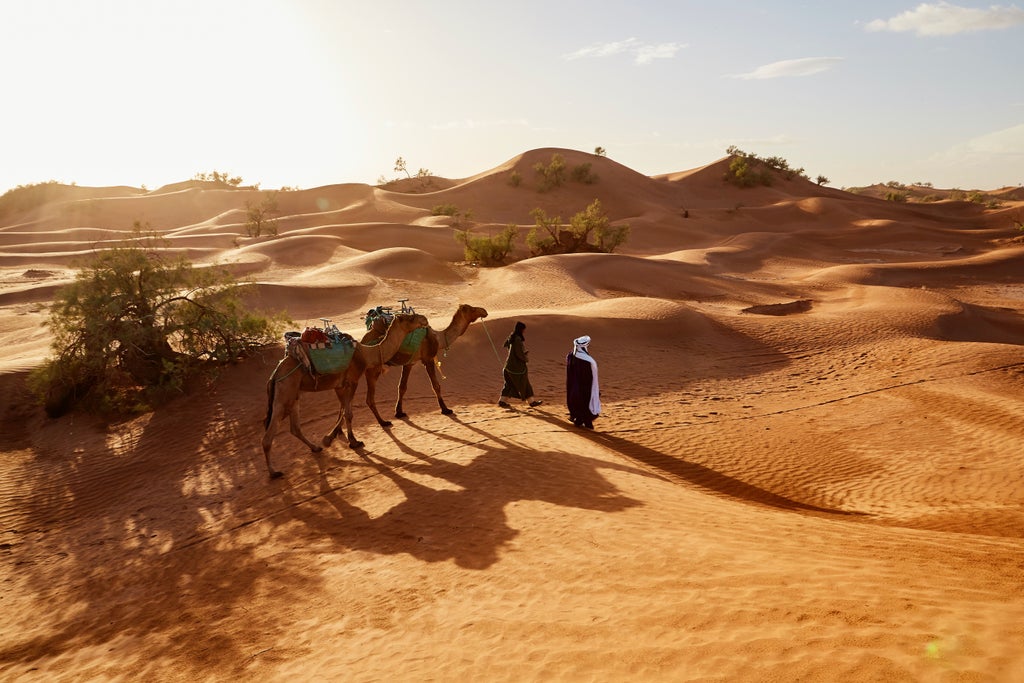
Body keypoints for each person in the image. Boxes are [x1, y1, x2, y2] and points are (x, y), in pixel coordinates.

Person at [498, 321, 543, 409]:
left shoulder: (512, 337)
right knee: (525, 382)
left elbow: (506, 345)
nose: (524, 331)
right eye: (523, 329)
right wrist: (525, 357)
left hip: (508, 366)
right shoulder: (517, 339)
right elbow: (519, 354)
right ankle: (531, 401)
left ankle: (502, 401)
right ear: (521, 329)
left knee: (509, 384)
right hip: (516, 368)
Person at [566, 335, 600, 428]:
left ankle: (579, 420)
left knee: (578, 402)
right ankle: (586, 423)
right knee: (586, 403)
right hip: (584, 387)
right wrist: (594, 388)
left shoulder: (570, 355)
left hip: (573, 386)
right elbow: (588, 376)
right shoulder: (586, 360)